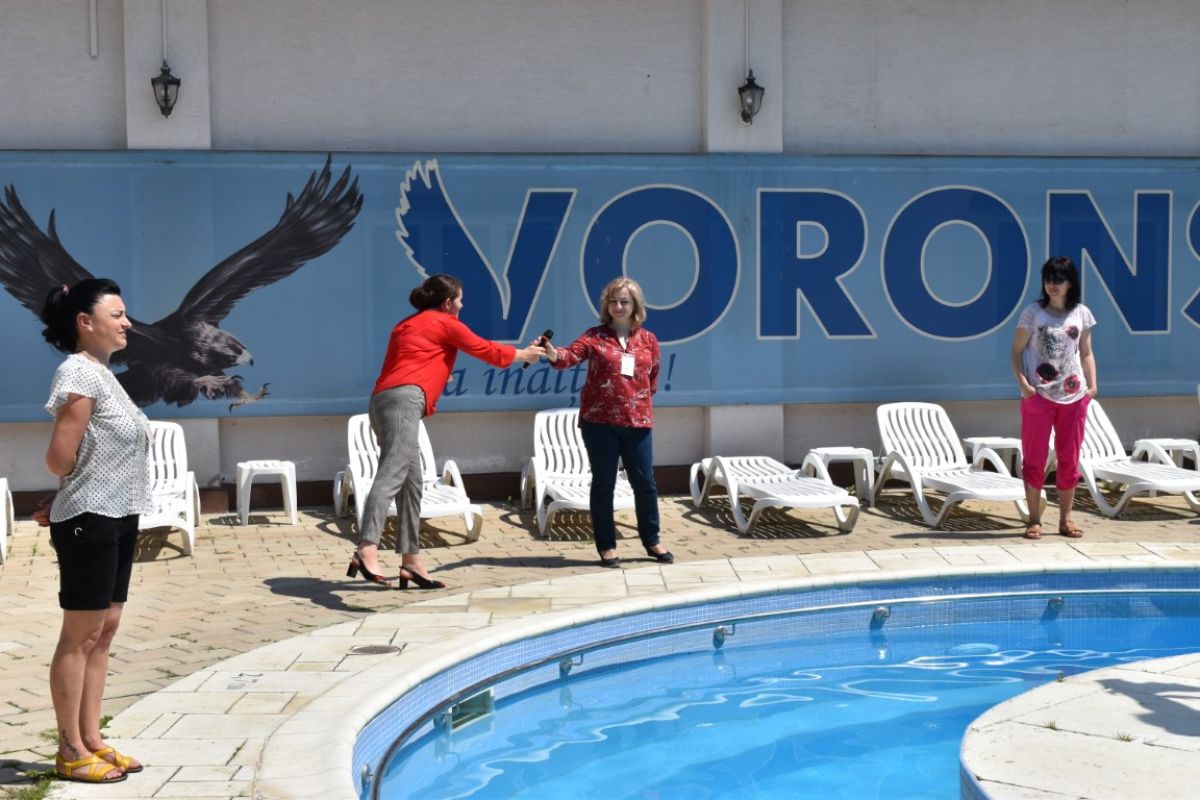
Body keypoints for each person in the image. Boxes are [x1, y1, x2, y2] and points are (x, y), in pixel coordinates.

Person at [349, 274, 545, 589]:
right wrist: (525, 355)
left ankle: (411, 562)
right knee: (391, 473)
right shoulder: (445, 323)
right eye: (460, 300)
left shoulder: (405, 324)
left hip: (382, 402)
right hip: (404, 402)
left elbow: (410, 362)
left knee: (412, 484)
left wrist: (440, 373)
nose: (462, 305)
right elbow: (486, 350)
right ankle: (367, 547)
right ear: (447, 303)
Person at [33, 278, 150, 783]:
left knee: (104, 631)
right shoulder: (78, 373)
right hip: (90, 520)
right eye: (117, 315)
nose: (127, 323)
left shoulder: (103, 374)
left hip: (118, 514)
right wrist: (70, 492)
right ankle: (69, 750)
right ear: (85, 322)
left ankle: (92, 740)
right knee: (80, 636)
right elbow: (60, 457)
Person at [544, 277, 673, 568]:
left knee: (645, 483)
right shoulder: (595, 336)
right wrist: (552, 352)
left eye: (624, 301)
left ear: (635, 305)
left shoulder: (649, 339)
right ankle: (607, 546)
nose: (618, 306)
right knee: (604, 484)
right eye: (613, 301)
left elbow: (651, 380)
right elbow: (569, 356)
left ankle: (652, 540)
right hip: (599, 423)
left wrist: (634, 402)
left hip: (637, 422)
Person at [1011, 256, 1098, 540]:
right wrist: (1025, 386)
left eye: (1059, 279)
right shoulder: (1033, 313)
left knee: (1069, 458)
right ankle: (1034, 520)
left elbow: (1086, 352)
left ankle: (1066, 520)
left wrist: (1092, 387)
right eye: (1048, 279)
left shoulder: (1081, 313)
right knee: (1034, 459)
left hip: (1074, 398)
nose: (1052, 284)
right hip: (1039, 396)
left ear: (1070, 282)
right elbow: (1016, 352)